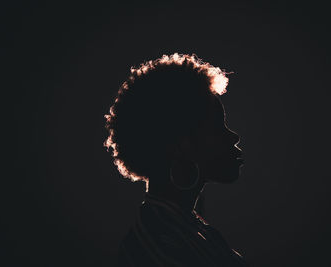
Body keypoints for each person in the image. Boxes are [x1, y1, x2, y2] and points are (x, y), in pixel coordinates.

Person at [104, 53, 248, 266]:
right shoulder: (160, 246)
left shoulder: (190, 230)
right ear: (181, 145)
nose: (234, 137)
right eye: (218, 126)